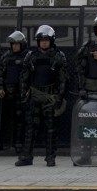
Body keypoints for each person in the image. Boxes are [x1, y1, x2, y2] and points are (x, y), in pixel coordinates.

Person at [17, 24, 68, 167]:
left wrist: (59, 97)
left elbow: (63, 78)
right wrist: (23, 95)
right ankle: (26, 157)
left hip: (50, 96)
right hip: (34, 95)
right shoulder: (31, 56)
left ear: (51, 41)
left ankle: (50, 157)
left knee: (51, 128)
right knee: (31, 127)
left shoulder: (58, 56)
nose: (43, 42)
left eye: (46, 40)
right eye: (41, 40)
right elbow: (24, 77)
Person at [0, 30, 28, 153]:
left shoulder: (27, 57)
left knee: (19, 116)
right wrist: (1, 87)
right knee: (0, 116)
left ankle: (18, 142)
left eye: (17, 44)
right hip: (6, 91)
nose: (14, 46)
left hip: (20, 91)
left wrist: (25, 89)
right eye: (13, 44)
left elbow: (28, 75)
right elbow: (0, 74)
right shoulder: (6, 56)